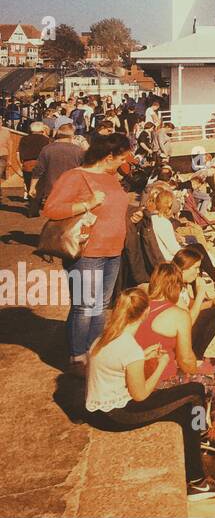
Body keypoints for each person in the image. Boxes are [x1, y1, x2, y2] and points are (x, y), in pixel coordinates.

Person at [83, 286, 215, 500]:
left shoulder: (103, 338)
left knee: (186, 412)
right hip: (117, 414)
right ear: (143, 313)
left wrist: (143, 356)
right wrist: (161, 364)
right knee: (195, 391)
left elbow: (116, 366)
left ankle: (198, 453)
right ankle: (199, 468)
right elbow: (141, 395)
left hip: (97, 410)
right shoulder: (128, 348)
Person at [42, 132, 132, 373]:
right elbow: (51, 209)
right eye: (122, 158)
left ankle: (94, 352)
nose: (124, 162)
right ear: (109, 156)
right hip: (86, 252)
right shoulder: (75, 176)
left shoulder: (111, 178)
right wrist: (87, 203)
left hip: (113, 250)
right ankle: (77, 356)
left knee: (101, 305)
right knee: (84, 305)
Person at [137, 260, 215, 440]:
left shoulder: (139, 307)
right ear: (175, 286)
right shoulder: (176, 315)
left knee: (197, 385)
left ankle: (201, 429)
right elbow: (186, 362)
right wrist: (195, 368)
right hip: (161, 381)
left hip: (137, 378)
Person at [32, 122, 85, 213]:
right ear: (72, 135)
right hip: (72, 188)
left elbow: (38, 169)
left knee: (55, 215)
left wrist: (32, 186)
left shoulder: (47, 149)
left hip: (52, 189)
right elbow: (85, 169)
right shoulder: (79, 151)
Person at [18, 121, 49, 215]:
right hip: (40, 164)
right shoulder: (45, 140)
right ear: (41, 130)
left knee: (29, 187)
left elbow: (20, 152)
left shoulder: (24, 139)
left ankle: (32, 208)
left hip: (27, 165)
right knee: (39, 187)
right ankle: (34, 208)